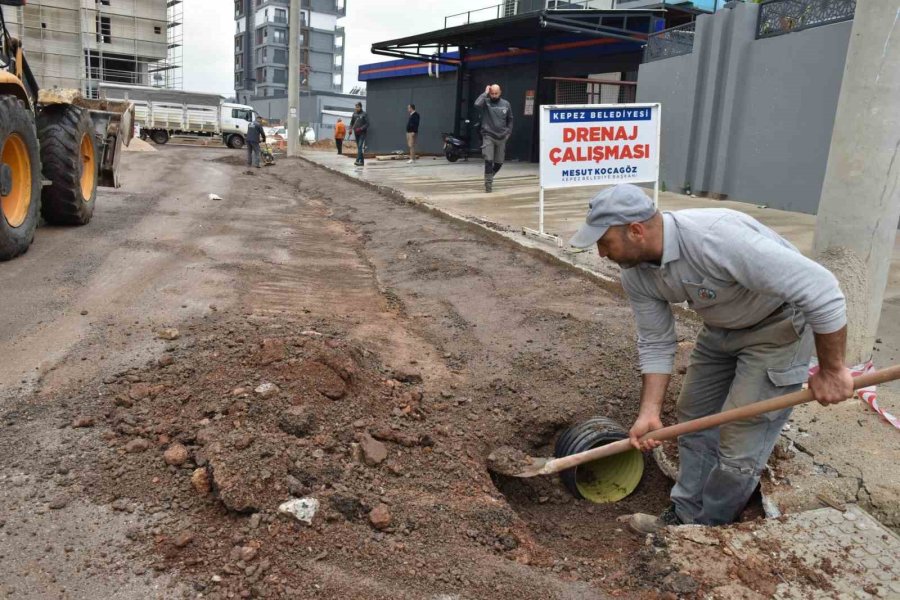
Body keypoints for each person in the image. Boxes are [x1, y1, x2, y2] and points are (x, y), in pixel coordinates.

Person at [569, 184, 853, 533]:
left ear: (636, 230)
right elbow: (656, 340)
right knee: (694, 416)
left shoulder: (716, 239)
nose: (600, 253)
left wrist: (832, 369)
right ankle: (686, 513)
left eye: (604, 241)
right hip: (720, 329)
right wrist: (649, 412)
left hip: (778, 329)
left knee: (740, 437)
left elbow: (823, 291)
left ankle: (710, 527)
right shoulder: (636, 273)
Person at [474, 84, 512, 193]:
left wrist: (508, 132)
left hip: (501, 137)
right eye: (492, 93)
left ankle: (489, 176)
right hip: (488, 135)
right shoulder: (486, 102)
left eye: (496, 93)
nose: (494, 96)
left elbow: (510, 119)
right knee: (488, 160)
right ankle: (488, 185)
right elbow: (476, 104)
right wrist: (485, 92)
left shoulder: (506, 104)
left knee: (499, 163)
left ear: (500, 92)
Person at [349, 102, 369, 167]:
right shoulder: (354, 114)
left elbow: (367, 124)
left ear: (360, 107)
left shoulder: (364, 114)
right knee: (359, 148)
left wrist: (361, 128)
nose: (356, 108)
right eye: (356, 107)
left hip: (362, 133)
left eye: (358, 107)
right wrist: (350, 129)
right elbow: (351, 123)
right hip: (356, 133)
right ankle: (362, 162)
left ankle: (357, 160)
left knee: (360, 146)